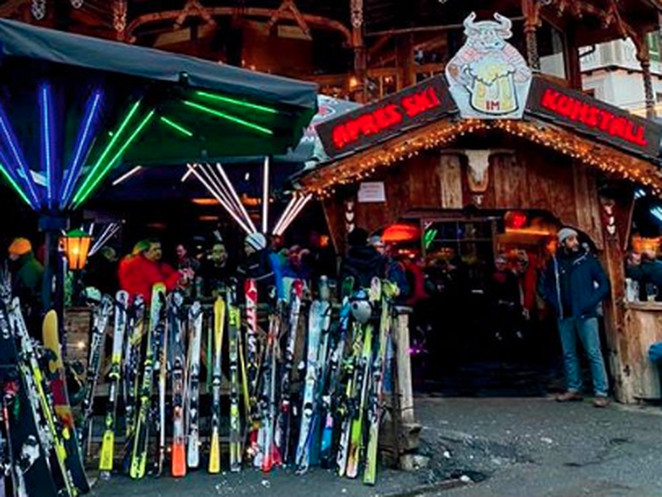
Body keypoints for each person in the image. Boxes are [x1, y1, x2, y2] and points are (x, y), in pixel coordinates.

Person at [539, 227, 611, 407]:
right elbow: (544, 286)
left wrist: (590, 302)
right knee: (569, 353)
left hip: (586, 313)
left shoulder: (587, 260)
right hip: (564, 313)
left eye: (575, 239)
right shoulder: (555, 262)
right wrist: (554, 302)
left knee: (593, 352)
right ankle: (574, 388)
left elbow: (604, 285)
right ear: (562, 242)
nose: (575, 242)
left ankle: (601, 391)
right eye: (570, 239)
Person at [118, 239, 189, 303]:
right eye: (155, 249)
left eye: (159, 249)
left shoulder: (157, 264)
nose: (159, 252)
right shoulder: (139, 265)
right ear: (144, 252)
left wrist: (182, 276)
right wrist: (178, 275)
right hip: (144, 305)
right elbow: (159, 289)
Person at [7, 238, 44, 336]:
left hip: (29, 314)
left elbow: (27, 291)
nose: (10, 257)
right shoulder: (30, 266)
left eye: (13, 254)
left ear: (21, 255)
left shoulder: (30, 269)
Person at [237, 233, 279, 300]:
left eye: (248, 246)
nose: (245, 249)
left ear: (256, 247)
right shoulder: (245, 264)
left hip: (259, 303)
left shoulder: (267, 264)